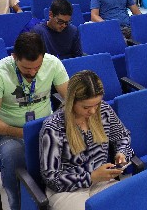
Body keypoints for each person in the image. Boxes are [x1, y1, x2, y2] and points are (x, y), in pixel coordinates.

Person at [0, 32, 69, 210]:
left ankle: (56, 200)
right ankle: (19, 205)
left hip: (46, 126)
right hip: (10, 131)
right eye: (27, 68)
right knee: (15, 159)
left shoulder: (53, 63)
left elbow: (71, 100)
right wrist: (20, 133)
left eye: (37, 67)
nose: (33, 72)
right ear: (14, 57)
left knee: (71, 151)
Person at [39, 70, 134, 210]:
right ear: (71, 102)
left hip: (101, 181)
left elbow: (122, 136)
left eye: (97, 104)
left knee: (128, 203)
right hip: (67, 190)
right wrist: (91, 177)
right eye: (86, 107)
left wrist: (121, 153)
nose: (93, 111)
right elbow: (51, 178)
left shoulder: (104, 110)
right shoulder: (53, 127)